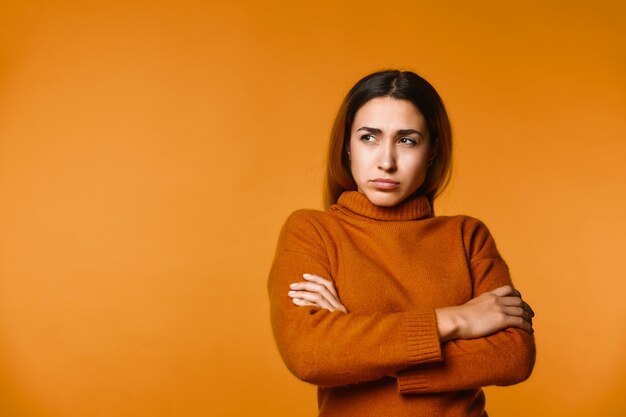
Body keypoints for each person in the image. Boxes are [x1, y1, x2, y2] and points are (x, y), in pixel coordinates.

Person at [267, 69, 536, 417]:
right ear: (347, 147)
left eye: (407, 140)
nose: (386, 161)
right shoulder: (313, 231)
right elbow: (309, 354)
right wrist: (456, 321)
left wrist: (357, 341)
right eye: (369, 137)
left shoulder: (467, 236)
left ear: (433, 151)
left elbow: (512, 356)